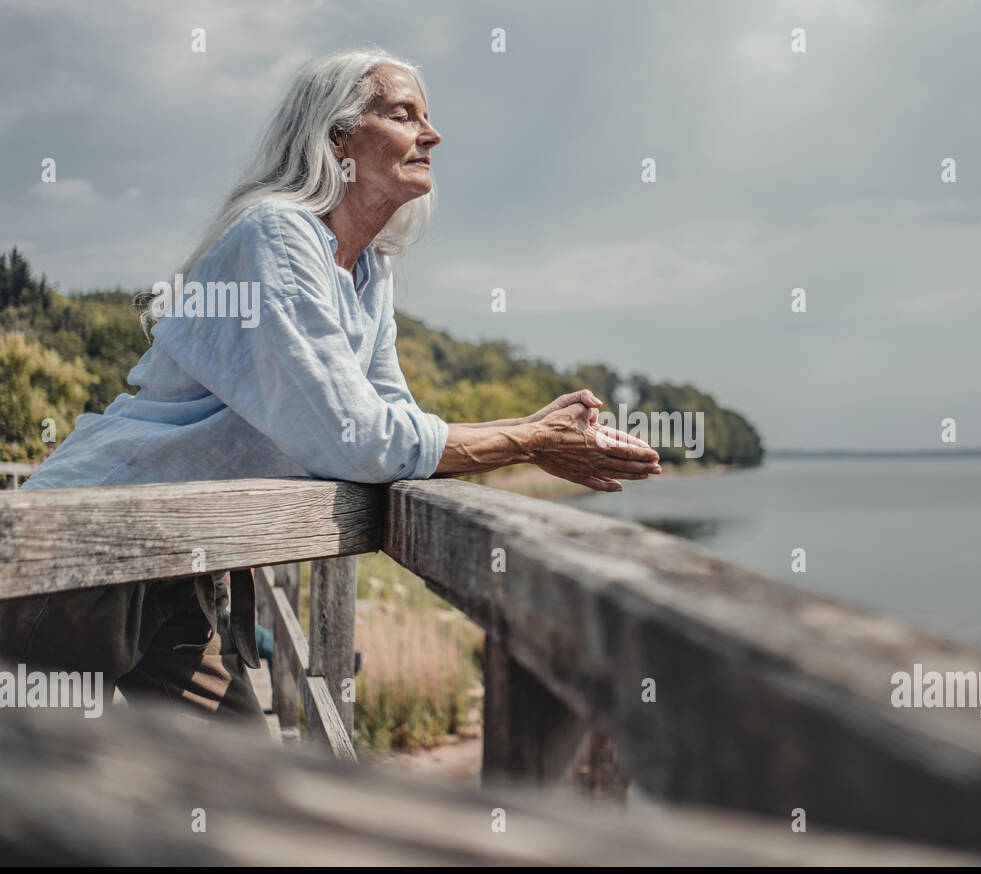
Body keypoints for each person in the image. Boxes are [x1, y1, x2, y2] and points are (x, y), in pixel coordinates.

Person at [2, 47, 659, 724]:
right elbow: (358, 440)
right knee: (36, 777)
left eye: (426, 118)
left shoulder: (370, 272)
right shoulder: (277, 236)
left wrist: (523, 436)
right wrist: (525, 438)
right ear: (336, 136)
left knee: (238, 787)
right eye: (404, 115)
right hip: (85, 546)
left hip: (183, 559)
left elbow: (389, 416)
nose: (430, 135)